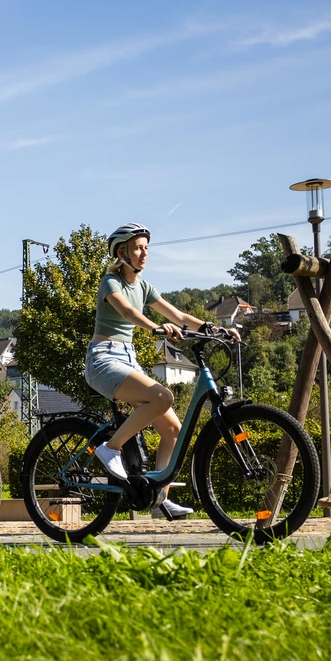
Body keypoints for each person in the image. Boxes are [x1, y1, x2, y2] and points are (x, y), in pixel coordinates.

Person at [85, 222, 239, 520]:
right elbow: (128, 312)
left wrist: (214, 328)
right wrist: (156, 327)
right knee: (163, 397)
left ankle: (159, 500)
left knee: (173, 430)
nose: (144, 253)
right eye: (138, 248)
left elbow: (179, 315)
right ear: (122, 252)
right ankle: (110, 448)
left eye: (146, 248)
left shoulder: (144, 287)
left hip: (128, 359)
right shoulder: (111, 282)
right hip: (103, 359)